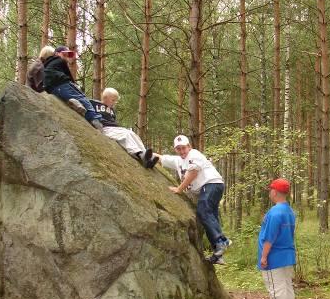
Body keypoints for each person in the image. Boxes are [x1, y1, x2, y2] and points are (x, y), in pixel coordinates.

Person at [155, 135, 230, 263]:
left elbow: (193, 173)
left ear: (189, 147)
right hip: (208, 188)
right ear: (175, 150)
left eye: (184, 148)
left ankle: (221, 241)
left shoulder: (194, 154)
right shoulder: (178, 161)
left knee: (203, 210)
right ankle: (218, 254)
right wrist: (142, 152)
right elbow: (161, 158)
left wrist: (180, 188)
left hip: (212, 184)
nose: (182, 151)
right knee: (209, 216)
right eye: (178, 149)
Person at [257, 178, 296, 299]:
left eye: (270, 190)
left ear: (274, 192)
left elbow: (269, 237)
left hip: (275, 256)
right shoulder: (289, 211)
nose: (269, 193)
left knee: (276, 289)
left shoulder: (274, 212)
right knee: (286, 288)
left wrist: (264, 256)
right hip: (287, 255)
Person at [90, 88, 158, 168]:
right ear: (105, 98)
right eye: (113, 100)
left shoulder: (112, 110)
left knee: (132, 134)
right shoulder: (94, 104)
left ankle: (146, 156)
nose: (114, 103)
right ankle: (139, 154)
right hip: (105, 128)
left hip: (115, 129)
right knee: (125, 135)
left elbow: (113, 121)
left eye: (115, 101)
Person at [43, 46, 103, 130]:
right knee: (81, 97)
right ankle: (94, 118)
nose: (67, 56)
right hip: (60, 83)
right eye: (64, 54)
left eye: (68, 55)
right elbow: (69, 77)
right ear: (56, 53)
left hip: (52, 88)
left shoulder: (48, 65)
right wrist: (76, 86)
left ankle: (72, 101)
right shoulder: (60, 61)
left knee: (70, 96)